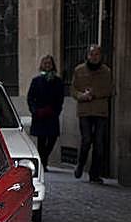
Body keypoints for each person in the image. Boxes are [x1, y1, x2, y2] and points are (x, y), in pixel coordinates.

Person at [70, 44, 112, 182]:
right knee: (86, 140)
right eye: (91, 54)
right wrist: (82, 96)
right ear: (87, 55)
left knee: (99, 143)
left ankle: (95, 174)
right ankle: (81, 164)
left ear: (101, 56)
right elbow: (73, 90)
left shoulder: (106, 71)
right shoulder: (79, 70)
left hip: (100, 111)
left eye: (97, 54)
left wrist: (94, 94)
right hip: (85, 111)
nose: (94, 57)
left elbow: (110, 90)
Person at [26, 54, 64, 171]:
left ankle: (44, 158)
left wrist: (56, 111)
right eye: (45, 63)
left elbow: (60, 98)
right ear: (42, 65)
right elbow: (30, 97)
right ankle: (43, 163)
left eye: (49, 63)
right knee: (41, 140)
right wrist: (35, 110)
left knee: (52, 138)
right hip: (40, 114)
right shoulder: (36, 81)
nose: (47, 65)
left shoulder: (58, 81)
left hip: (52, 114)